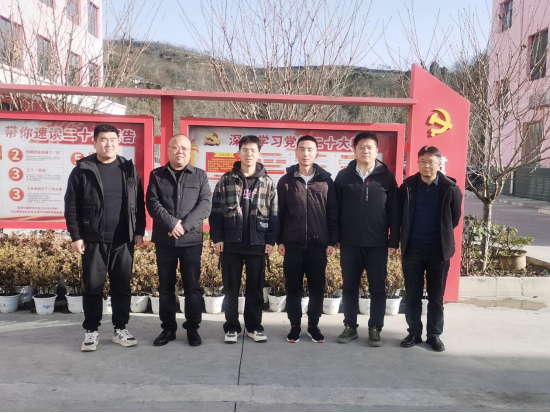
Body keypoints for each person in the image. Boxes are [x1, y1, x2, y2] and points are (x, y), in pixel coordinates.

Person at [64, 123, 146, 352]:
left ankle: (120, 328)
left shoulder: (128, 169)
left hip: (123, 240)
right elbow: (71, 206)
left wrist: (139, 230)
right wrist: (76, 236)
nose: (108, 144)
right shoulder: (83, 170)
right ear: (95, 142)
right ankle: (91, 331)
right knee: (92, 287)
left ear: (118, 142)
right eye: (103, 139)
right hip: (93, 239)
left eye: (112, 139)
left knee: (122, 286)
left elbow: (138, 202)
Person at [210, 135, 279, 343]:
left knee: (255, 289)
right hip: (231, 242)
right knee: (231, 288)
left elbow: (275, 214)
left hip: (257, 243)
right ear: (238, 153)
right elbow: (216, 211)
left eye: (253, 150)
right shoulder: (226, 180)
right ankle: (231, 327)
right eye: (245, 150)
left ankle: (254, 326)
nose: (249, 154)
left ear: (259, 154)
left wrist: (271, 240)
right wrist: (217, 237)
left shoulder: (268, 182)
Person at [334, 131, 400, 347]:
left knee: (377, 288)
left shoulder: (386, 177)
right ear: (354, 150)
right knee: (349, 287)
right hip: (350, 243)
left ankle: (375, 328)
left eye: (370, 147)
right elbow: (335, 210)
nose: (365, 150)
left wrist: (393, 241)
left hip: (377, 244)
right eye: (361, 146)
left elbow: (395, 212)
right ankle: (350, 326)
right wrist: (335, 237)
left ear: (376, 150)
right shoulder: (343, 177)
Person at [146, 134, 211, 347]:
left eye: (184, 148)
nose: (180, 151)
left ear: (189, 151)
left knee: (192, 288)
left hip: (191, 242)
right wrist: (171, 224)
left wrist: (184, 226)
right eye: (175, 147)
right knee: (165, 287)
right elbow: (152, 203)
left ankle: (192, 329)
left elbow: (205, 204)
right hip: (165, 241)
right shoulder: (157, 175)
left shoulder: (200, 175)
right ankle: (168, 329)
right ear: (168, 150)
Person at [398, 146, 462, 352]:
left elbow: (454, 219)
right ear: (418, 163)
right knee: (412, 295)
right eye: (423, 162)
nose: (427, 166)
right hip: (413, 250)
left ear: (439, 163)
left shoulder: (450, 188)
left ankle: (434, 335)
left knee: (436, 297)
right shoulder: (408, 187)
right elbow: (400, 214)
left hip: (438, 251)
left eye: (431, 162)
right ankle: (414, 333)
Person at [277, 135, 338, 343]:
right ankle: (295, 325)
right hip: (292, 245)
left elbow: (333, 213)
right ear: (296, 152)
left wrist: (331, 240)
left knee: (317, 288)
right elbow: (279, 213)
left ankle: (313, 325)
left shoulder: (326, 181)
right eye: (302, 149)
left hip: (318, 245)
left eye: (310, 149)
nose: (306, 153)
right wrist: (280, 240)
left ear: (316, 153)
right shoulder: (286, 181)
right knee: (293, 288)